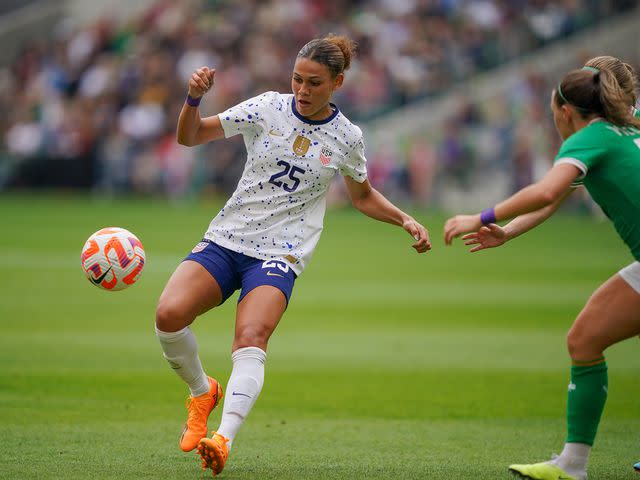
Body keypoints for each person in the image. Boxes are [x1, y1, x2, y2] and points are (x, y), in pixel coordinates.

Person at [154, 34, 431, 477]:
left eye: (315, 83)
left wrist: (405, 220)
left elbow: (363, 197)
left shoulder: (347, 137)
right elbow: (190, 137)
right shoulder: (267, 107)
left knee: (251, 338)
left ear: (338, 83)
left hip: (280, 252)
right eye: (298, 79)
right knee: (168, 316)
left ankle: (222, 438)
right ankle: (202, 391)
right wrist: (193, 99)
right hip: (228, 238)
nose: (302, 90)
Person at [443, 60, 640, 480]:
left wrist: (477, 217)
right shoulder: (628, 125)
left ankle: (573, 465)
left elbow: (546, 189)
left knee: (585, 339)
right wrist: (509, 232)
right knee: (585, 337)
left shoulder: (588, 138)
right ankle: (572, 465)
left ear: (564, 111)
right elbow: (557, 198)